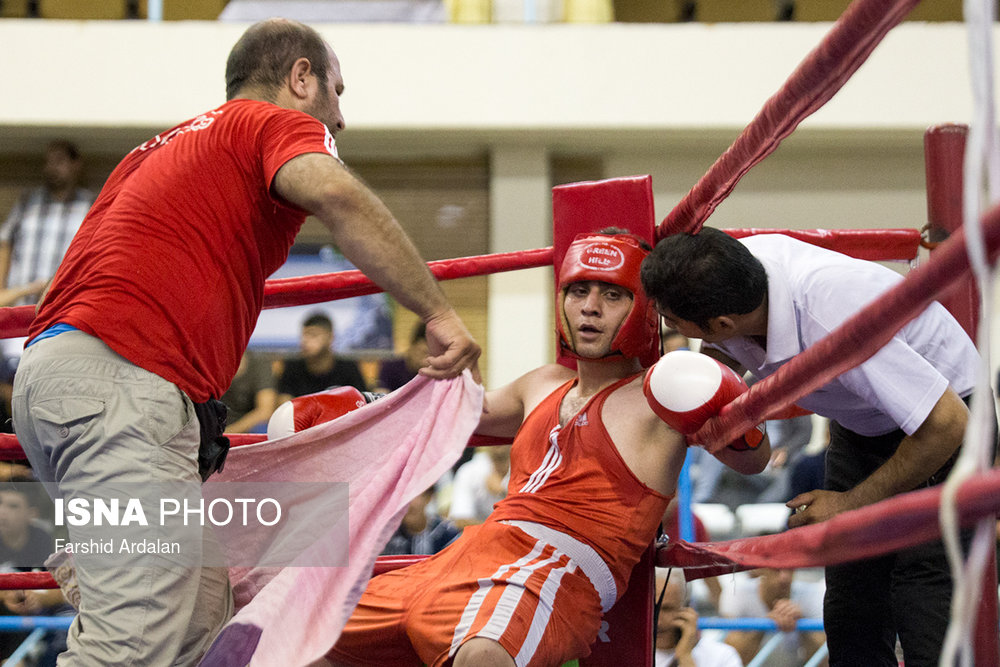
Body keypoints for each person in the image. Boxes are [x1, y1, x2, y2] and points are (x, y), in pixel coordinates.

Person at [11, 18, 480, 667]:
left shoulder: (159, 150)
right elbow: (338, 196)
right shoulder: (271, 122)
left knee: (203, 615)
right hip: (121, 383)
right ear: (300, 77)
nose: (339, 117)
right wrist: (439, 311)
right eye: (336, 92)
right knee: (133, 646)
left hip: (61, 383)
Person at [326, 231, 769, 667]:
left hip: (556, 571)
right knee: (297, 633)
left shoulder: (657, 393)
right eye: (578, 291)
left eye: (612, 295)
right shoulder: (542, 383)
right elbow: (452, 416)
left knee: (485, 653)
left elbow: (753, 460)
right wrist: (360, 405)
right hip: (469, 554)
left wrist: (729, 400)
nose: (590, 307)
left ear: (645, 310)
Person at [640, 226, 981, 667]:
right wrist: (709, 393)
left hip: (945, 418)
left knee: (923, 587)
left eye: (673, 321)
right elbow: (716, 348)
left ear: (722, 324)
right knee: (850, 597)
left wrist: (851, 503)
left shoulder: (833, 318)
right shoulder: (730, 272)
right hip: (862, 419)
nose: (669, 328)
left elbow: (948, 423)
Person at [0, 140, 94, 306]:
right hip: (21, 305)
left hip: (64, 309)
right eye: (48, 162)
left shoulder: (89, 206)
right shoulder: (28, 202)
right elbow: (5, 242)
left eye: (59, 161)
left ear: (76, 164)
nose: (52, 168)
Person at [719, 568, 826, 667]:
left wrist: (802, 623)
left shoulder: (813, 594)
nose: (785, 576)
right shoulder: (737, 592)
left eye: (790, 568)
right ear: (759, 569)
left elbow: (825, 661)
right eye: (776, 569)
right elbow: (731, 658)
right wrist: (764, 625)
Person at [654, 568, 742, 667]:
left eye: (667, 609)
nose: (658, 622)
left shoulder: (722, 656)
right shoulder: (633, 654)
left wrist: (685, 656)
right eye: (651, 610)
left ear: (687, 609)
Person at [277, 311, 369, 402]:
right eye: (304, 335)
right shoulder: (292, 367)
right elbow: (285, 406)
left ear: (330, 338)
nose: (305, 341)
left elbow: (361, 405)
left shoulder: (348, 368)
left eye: (313, 335)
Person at [382, 486, 461, 556]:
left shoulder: (446, 534)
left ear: (428, 497)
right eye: (400, 496)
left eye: (411, 495)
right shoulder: (386, 536)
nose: (406, 504)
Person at [446, 444, 510, 528]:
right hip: (483, 538)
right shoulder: (468, 471)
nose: (500, 442)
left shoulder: (527, 469)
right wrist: (500, 531)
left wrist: (503, 493)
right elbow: (461, 520)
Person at [221, 350, 278, 433]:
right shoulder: (205, 363)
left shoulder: (260, 364)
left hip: (245, 433)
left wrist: (229, 433)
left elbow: (265, 411)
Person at [376, 321, 429, 392]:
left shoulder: (437, 374)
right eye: (424, 353)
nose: (426, 360)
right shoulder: (391, 367)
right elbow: (381, 393)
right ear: (413, 346)